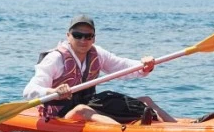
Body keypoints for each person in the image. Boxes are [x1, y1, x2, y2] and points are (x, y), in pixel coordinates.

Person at [23, 14, 176, 124]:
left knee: (145, 100)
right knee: (82, 109)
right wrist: (53, 92)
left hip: (90, 106)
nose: (83, 40)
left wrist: (144, 65)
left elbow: (123, 66)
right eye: (77, 35)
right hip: (60, 115)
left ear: (93, 38)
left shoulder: (97, 53)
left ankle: (175, 127)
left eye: (88, 36)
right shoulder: (56, 58)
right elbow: (29, 91)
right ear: (68, 36)